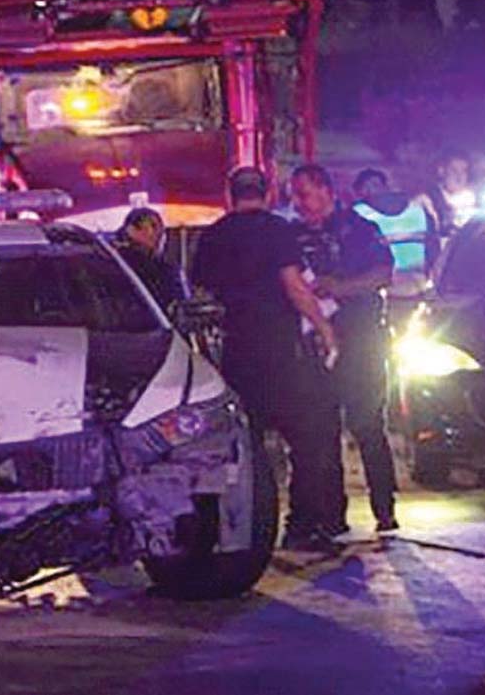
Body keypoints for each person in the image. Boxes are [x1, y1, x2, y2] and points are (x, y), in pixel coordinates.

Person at [192, 168, 342, 551]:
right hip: (280, 351)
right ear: (269, 191)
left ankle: (247, 530)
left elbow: (201, 295)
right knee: (307, 441)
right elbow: (294, 286)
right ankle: (302, 525)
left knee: (245, 445)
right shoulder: (279, 231)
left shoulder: (214, 236)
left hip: (236, 352)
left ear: (230, 194)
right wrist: (324, 329)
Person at [291, 164, 399, 535]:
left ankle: (384, 510)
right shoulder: (293, 236)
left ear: (325, 191)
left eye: (303, 194)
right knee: (321, 430)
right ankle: (331, 517)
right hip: (317, 344)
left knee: (368, 424)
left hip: (362, 338)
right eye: (295, 196)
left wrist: (339, 287)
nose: (299, 203)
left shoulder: (359, 230)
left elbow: (383, 274)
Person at [351, 168, 439, 295]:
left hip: (381, 288)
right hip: (422, 285)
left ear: (361, 191)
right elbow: (434, 245)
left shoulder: (357, 213)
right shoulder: (418, 208)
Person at [112, 207, 185, 311]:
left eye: (161, 229)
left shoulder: (165, 267)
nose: (158, 234)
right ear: (132, 230)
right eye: (153, 227)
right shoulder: (118, 264)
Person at [429, 150, 476, 235]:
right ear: (441, 171)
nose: (459, 176)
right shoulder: (430, 200)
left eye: (464, 171)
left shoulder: (475, 200)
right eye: (454, 170)